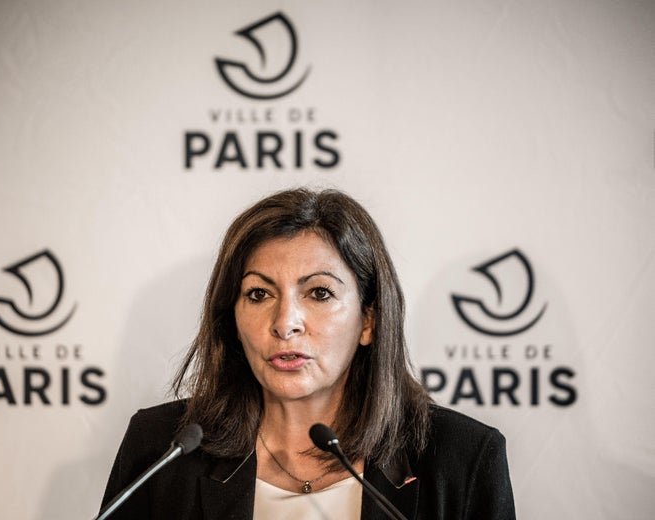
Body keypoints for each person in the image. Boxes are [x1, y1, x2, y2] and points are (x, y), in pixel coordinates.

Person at [100, 187, 516, 519]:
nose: (285, 323)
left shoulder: (462, 458)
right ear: (232, 317)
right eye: (259, 293)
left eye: (319, 293)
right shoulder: (161, 450)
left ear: (369, 320)